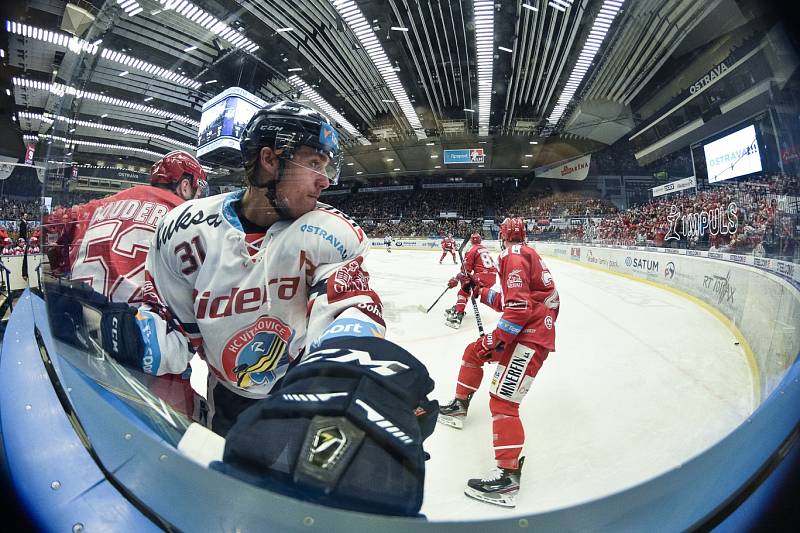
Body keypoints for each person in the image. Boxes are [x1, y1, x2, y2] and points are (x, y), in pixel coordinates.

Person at [52, 101, 437, 515]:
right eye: (314, 162)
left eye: (327, 166)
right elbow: (173, 326)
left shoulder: (334, 232)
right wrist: (120, 332)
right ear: (270, 160)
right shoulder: (184, 230)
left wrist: (351, 373)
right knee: (231, 505)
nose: (325, 181)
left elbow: (349, 310)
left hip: (304, 392)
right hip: (227, 397)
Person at [47, 150, 208, 415]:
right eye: (197, 189)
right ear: (185, 184)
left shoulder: (101, 205)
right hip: (148, 364)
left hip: (80, 345)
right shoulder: (192, 218)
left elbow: (54, 235)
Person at [437, 217, 560, 508]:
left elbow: (517, 308)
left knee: (503, 401)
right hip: (527, 330)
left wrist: (498, 339)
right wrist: (477, 290)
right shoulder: (526, 254)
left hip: (528, 338)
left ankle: (507, 478)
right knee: (472, 352)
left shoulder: (513, 256)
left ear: (502, 237)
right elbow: (518, 303)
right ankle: (459, 407)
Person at [444, 232, 497, 329]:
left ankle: (458, 315)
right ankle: (457, 306)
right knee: (468, 285)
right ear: (480, 240)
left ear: (471, 241)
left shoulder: (471, 250)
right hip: (492, 277)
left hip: (481, 276)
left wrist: (456, 279)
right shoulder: (484, 249)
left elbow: (465, 270)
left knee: (464, 291)